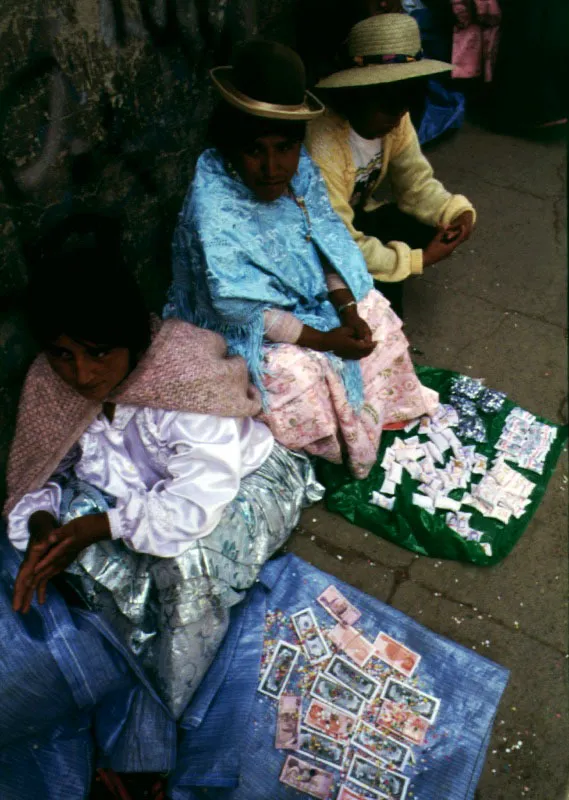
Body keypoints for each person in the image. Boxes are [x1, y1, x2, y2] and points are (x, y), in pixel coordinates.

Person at [1, 234, 321, 793]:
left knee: (188, 572)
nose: (80, 374)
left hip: (241, 486)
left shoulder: (183, 374)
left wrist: (99, 527)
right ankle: (120, 657)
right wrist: (44, 528)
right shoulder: (50, 384)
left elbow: (193, 504)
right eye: (63, 354)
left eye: (99, 352)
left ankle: (155, 742)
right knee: (53, 543)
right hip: (139, 497)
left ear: (129, 337)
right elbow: (39, 476)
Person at [165, 40, 437, 480]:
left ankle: (377, 413)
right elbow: (240, 308)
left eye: (285, 148)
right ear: (233, 148)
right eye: (256, 151)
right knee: (293, 374)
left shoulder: (303, 172)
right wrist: (327, 341)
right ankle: (324, 448)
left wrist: (347, 309)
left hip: (309, 302)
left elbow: (325, 244)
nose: (273, 167)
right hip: (243, 325)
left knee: (377, 315)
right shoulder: (213, 201)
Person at [306, 13, 476, 317]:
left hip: (356, 216)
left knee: (430, 224)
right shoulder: (323, 145)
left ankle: (384, 280)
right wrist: (417, 260)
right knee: (376, 311)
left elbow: (415, 182)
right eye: (386, 104)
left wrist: (455, 211)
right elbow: (337, 239)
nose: (397, 115)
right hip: (319, 239)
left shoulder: (396, 118)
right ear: (354, 94)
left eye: (406, 102)